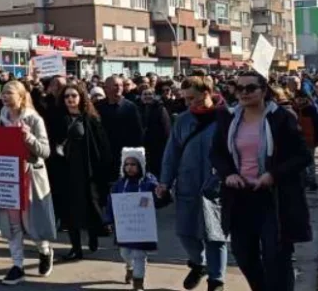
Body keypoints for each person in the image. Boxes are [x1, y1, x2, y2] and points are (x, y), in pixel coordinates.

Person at [211, 71, 312, 291]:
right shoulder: (229, 117)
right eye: (239, 88)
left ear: (263, 91)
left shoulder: (281, 117)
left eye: (250, 88)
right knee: (243, 254)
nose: (244, 93)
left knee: (276, 257)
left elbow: (302, 156)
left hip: (273, 198)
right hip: (240, 196)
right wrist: (228, 173)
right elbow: (217, 153)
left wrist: (272, 175)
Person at [157, 75, 230, 291]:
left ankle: (217, 280)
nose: (189, 104)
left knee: (215, 235)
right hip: (187, 183)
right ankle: (199, 263)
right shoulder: (183, 120)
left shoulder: (227, 117)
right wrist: (164, 182)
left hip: (215, 185)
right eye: (186, 99)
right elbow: (172, 153)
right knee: (185, 232)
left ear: (207, 93)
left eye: (193, 99)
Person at [0, 80, 57, 285]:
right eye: (3, 93)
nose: (4, 97)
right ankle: (17, 266)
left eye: (9, 93)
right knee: (13, 225)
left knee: (33, 224)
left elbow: (45, 152)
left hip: (31, 178)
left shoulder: (34, 119)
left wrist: (28, 137)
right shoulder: (2, 118)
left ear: (21, 96)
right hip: (9, 177)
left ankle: (45, 251)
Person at [51, 81, 111, 261]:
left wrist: (105, 169)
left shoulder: (91, 119)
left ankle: (93, 236)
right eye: (67, 96)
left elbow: (102, 146)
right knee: (69, 212)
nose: (70, 99)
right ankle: (75, 248)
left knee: (90, 207)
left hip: (88, 172)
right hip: (66, 172)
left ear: (81, 98)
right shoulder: (59, 119)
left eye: (73, 96)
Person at [105, 148, 160, 291]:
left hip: (142, 229)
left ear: (141, 165)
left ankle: (138, 282)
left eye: (133, 164)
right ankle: (130, 267)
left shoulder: (148, 182)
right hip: (125, 229)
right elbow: (111, 203)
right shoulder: (119, 185)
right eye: (127, 164)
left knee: (139, 255)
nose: (129, 167)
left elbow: (158, 197)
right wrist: (109, 220)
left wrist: (160, 192)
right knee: (125, 253)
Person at [97, 75, 145, 177]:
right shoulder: (98, 107)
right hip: (104, 156)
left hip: (125, 157)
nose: (119, 88)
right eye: (115, 85)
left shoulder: (130, 107)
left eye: (121, 85)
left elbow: (138, 133)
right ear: (106, 88)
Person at [137, 86, 172, 180]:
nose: (147, 96)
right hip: (141, 147)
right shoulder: (137, 109)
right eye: (145, 94)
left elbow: (166, 130)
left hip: (157, 148)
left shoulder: (160, 109)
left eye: (150, 94)